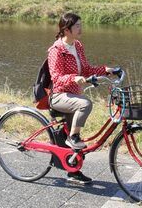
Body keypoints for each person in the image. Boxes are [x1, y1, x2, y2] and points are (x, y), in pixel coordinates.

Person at [47, 12, 117, 185]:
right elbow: (56, 77)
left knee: (74, 131)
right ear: (66, 29)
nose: (81, 28)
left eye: (80, 25)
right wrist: (73, 78)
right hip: (59, 95)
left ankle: (73, 172)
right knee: (85, 104)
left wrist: (107, 69)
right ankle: (73, 138)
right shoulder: (57, 50)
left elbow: (86, 69)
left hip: (73, 96)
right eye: (77, 25)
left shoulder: (77, 46)